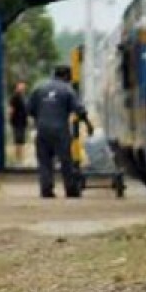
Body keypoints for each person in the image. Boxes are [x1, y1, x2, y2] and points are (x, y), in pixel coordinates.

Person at [27, 65, 89, 198]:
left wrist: (41, 117)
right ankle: (70, 189)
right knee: (66, 160)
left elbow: (30, 109)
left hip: (42, 130)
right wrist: (88, 124)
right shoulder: (67, 89)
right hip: (60, 130)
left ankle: (46, 189)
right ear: (67, 76)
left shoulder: (39, 88)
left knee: (44, 161)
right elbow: (79, 110)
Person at [8, 81, 29, 164]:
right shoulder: (15, 96)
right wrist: (11, 118)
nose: (23, 87)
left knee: (21, 140)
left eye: (24, 86)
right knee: (18, 140)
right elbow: (10, 109)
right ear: (17, 86)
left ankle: (21, 158)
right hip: (17, 121)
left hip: (22, 121)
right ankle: (18, 158)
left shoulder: (23, 97)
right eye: (21, 86)